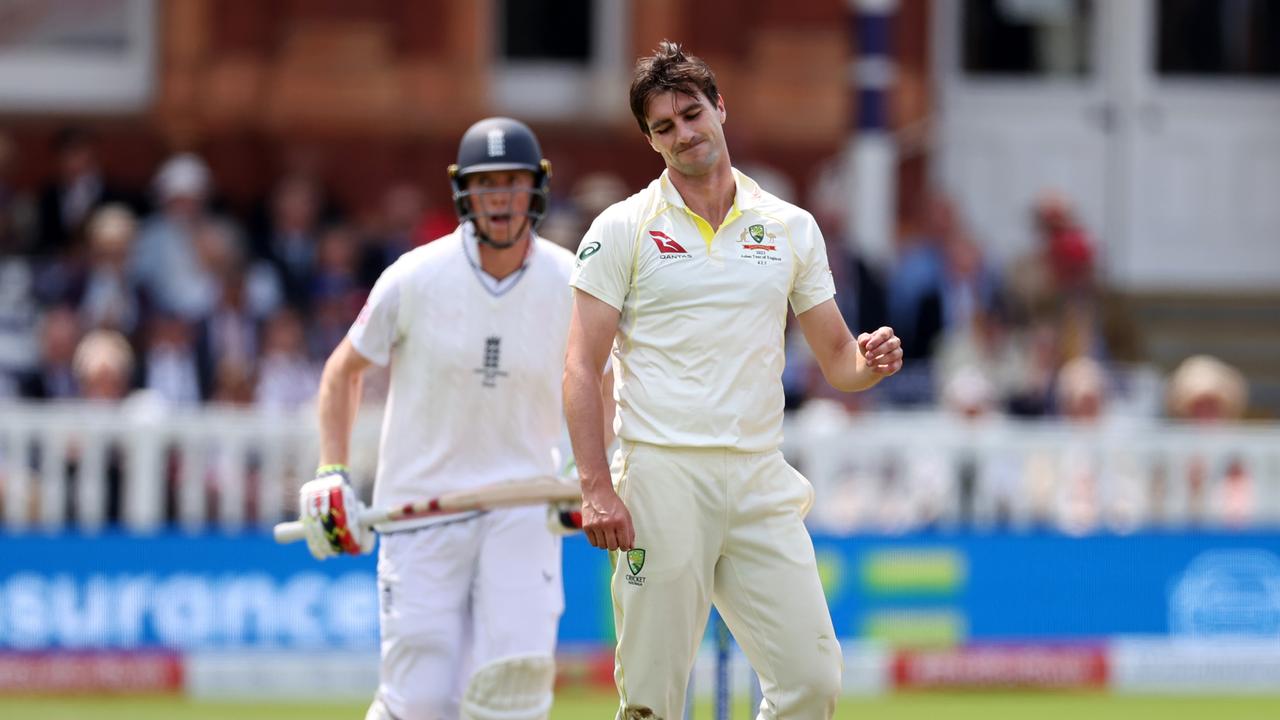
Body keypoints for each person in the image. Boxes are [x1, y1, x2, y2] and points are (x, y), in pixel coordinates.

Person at [563, 42, 903, 720]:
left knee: (810, 681)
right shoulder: (622, 228)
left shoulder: (789, 228)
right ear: (651, 140)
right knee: (652, 703)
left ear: (720, 107)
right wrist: (597, 489)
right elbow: (580, 366)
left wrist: (871, 361)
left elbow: (839, 361)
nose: (685, 134)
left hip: (757, 475)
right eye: (665, 127)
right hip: (662, 475)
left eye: (692, 114)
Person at [296, 117, 591, 720]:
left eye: (512, 183)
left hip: (522, 507)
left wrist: (591, 469)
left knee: (512, 694)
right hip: (421, 509)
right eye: (487, 185)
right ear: (464, 192)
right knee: (420, 702)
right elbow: (342, 371)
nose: (501, 200)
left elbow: (606, 380)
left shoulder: (572, 279)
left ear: (536, 188)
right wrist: (332, 470)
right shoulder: (415, 276)